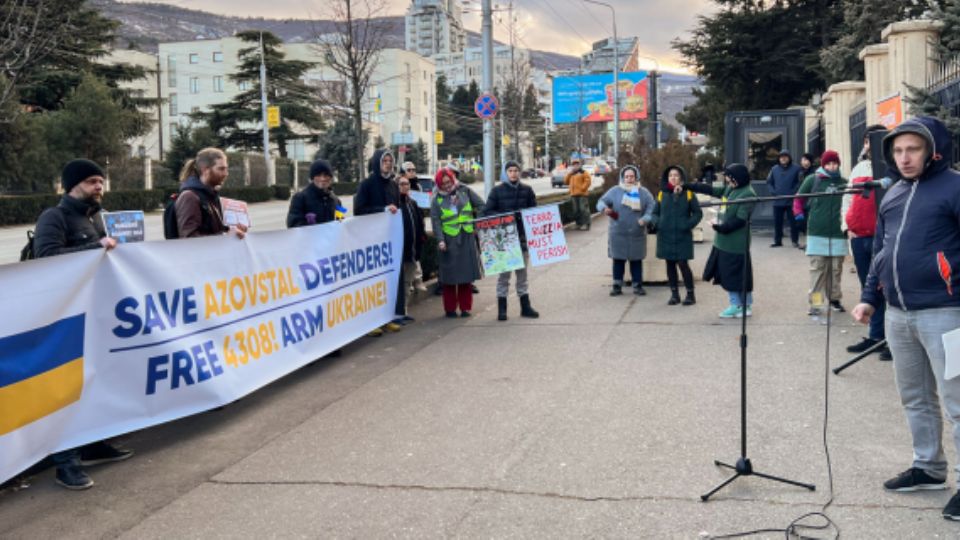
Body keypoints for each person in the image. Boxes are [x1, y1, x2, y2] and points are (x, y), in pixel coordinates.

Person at [850, 116, 960, 521]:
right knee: (915, 397)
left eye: (912, 149)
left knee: (957, 403)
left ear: (933, 150)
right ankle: (928, 468)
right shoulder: (894, 193)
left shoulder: (955, 188)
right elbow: (881, 250)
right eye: (897, 151)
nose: (904, 157)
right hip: (898, 314)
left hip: (947, 314)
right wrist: (868, 299)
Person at [33, 159, 132, 489]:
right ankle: (66, 462)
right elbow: (44, 258)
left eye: (101, 181)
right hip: (63, 318)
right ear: (71, 185)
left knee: (95, 379)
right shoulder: (55, 216)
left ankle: (92, 444)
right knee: (67, 388)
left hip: (94, 313)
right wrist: (96, 247)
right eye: (92, 181)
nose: (99, 187)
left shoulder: (95, 219)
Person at [844, 125, 893, 361]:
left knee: (887, 288)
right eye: (866, 140)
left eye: (873, 140)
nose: (869, 145)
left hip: (882, 237)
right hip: (860, 236)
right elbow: (848, 198)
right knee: (869, 287)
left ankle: (890, 341)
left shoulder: (891, 169)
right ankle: (875, 336)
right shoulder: (860, 168)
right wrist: (847, 227)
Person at [689, 163, 757, 318]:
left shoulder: (748, 194)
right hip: (723, 242)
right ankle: (743, 305)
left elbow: (740, 220)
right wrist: (691, 186)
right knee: (733, 275)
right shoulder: (731, 188)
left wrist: (721, 227)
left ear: (737, 177)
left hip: (735, 243)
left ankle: (738, 305)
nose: (726, 179)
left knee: (734, 276)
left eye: (728, 176)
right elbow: (713, 190)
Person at [483, 160, 540, 321]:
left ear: (519, 172)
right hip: (504, 239)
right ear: (506, 173)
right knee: (504, 276)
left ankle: (525, 307)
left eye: (516, 170)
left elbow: (533, 212)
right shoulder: (497, 191)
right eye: (510, 171)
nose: (513, 173)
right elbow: (487, 211)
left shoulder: (527, 190)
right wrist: (505, 217)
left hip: (521, 238)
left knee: (522, 275)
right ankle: (502, 309)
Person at [793, 150, 847, 316]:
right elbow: (798, 199)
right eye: (829, 163)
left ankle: (834, 299)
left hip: (838, 233)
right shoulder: (813, 180)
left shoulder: (845, 183)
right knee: (818, 270)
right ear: (824, 165)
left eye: (834, 163)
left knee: (835, 270)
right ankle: (816, 303)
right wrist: (798, 213)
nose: (832, 166)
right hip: (817, 232)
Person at [355, 149, 403, 335]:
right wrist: (382, 210)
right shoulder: (366, 185)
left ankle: (387, 318)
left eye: (390, 161)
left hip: (388, 242)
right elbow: (359, 210)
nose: (388, 164)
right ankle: (370, 323)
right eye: (385, 161)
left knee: (387, 282)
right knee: (372, 283)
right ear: (377, 163)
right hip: (371, 242)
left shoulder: (393, 185)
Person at [431, 167, 485, 317]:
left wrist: (475, 225)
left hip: (466, 238)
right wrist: (440, 240)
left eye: (449, 182)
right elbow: (436, 223)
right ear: (439, 185)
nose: (447, 186)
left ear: (453, 179)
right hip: (448, 242)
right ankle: (450, 309)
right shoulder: (437, 200)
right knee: (449, 278)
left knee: (465, 277)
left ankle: (465, 308)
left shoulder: (464, 191)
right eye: (443, 184)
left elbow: (481, 205)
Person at [597, 165, 655, 296]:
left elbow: (652, 208)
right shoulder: (615, 191)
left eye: (632, 176)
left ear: (636, 177)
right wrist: (604, 208)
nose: (629, 179)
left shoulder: (643, 193)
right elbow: (600, 201)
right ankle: (617, 285)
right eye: (627, 176)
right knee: (618, 259)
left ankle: (637, 285)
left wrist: (645, 218)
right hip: (618, 232)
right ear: (622, 178)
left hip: (637, 232)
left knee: (636, 260)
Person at [650, 165, 703, 306]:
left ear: (681, 178)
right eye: (670, 176)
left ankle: (690, 294)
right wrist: (658, 223)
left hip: (682, 235)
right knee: (670, 264)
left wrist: (687, 224)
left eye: (676, 175)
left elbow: (698, 213)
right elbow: (654, 213)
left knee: (683, 264)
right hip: (665, 235)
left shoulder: (689, 194)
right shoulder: (662, 194)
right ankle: (674, 295)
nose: (673, 178)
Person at [175, 148, 247, 239]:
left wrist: (233, 230)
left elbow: (214, 231)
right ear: (205, 170)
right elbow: (189, 239)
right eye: (221, 169)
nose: (226, 173)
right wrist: (225, 237)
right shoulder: (189, 197)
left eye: (226, 169)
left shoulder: (211, 196)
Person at [397, 173, 426, 323]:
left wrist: (420, 244)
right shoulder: (395, 205)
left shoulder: (412, 203)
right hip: (400, 252)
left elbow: (420, 225)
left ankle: (404, 310)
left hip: (412, 251)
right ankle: (397, 313)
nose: (405, 186)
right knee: (399, 284)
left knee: (407, 283)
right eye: (401, 184)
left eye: (406, 184)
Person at [286, 158, 343, 228]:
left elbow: (340, 222)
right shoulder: (300, 198)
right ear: (312, 178)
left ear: (330, 178)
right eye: (318, 175)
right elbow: (293, 224)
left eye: (326, 175)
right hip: (309, 238)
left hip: (330, 238)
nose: (322, 179)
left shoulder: (336, 201)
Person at [766, 149, 802, 248]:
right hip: (778, 200)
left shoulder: (797, 168)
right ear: (779, 158)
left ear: (789, 158)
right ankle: (778, 241)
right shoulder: (774, 169)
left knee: (794, 223)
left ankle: (795, 241)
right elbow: (769, 182)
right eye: (781, 157)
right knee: (777, 223)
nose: (783, 158)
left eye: (785, 156)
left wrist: (793, 192)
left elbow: (799, 182)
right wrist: (773, 192)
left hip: (791, 200)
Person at [564, 157, 593, 230]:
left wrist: (582, 188)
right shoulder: (572, 174)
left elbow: (588, 181)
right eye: (574, 164)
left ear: (580, 165)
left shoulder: (583, 172)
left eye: (577, 164)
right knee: (576, 210)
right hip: (573, 194)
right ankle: (579, 224)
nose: (575, 166)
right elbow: (566, 181)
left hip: (582, 194)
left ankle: (586, 224)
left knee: (583, 209)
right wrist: (570, 173)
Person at [795, 153, 816, 244]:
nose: (804, 162)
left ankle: (809, 243)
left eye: (806, 160)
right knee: (801, 223)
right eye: (803, 160)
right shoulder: (800, 172)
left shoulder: (814, 172)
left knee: (809, 222)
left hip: (810, 201)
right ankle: (806, 242)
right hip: (800, 201)